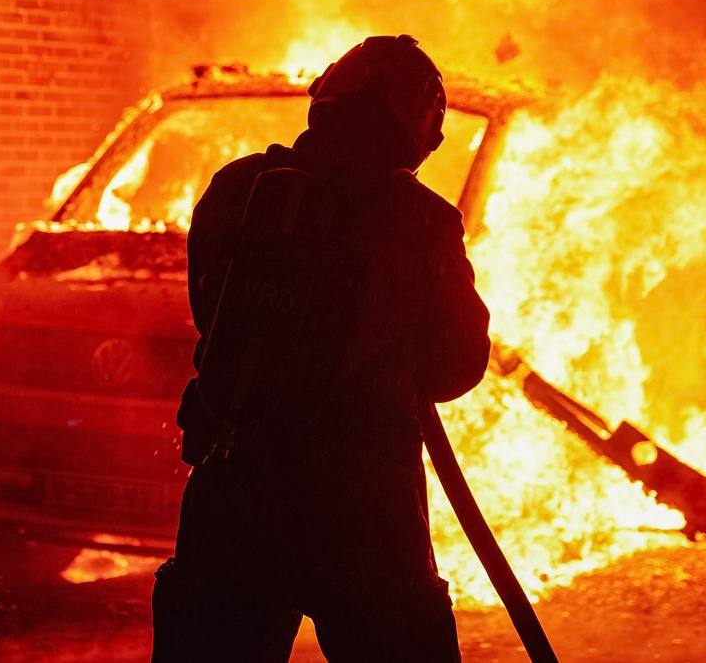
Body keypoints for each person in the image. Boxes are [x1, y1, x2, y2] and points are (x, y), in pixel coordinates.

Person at [151, 35, 491, 663]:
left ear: (325, 98)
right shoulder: (420, 220)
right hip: (363, 507)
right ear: (417, 131)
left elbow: (210, 311)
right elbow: (457, 365)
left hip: (232, 488)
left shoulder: (237, 189)